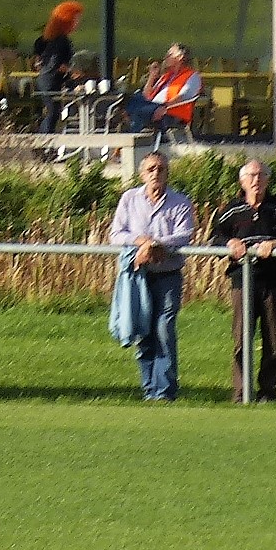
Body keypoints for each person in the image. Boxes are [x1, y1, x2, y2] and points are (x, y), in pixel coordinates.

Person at [108, 150, 196, 402]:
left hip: (168, 276)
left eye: (161, 169)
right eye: (151, 169)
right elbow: (116, 234)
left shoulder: (180, 202)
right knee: (144, 331)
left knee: (164, 328)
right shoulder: (129, 199)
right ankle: (149, 388)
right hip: (138, 277)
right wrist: (142, 242)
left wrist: (156, 245)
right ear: (142, 174)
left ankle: (164, 391)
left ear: (168, 173)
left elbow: (184, 234)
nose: (156, 173)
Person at [209, 158, 276, 403]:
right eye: (251, 175)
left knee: (273, 340)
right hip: (242, 281)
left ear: (268, 180)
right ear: (242, 181)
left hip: (273, 280)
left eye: (261, 175)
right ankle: (241, 392)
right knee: (241, 338)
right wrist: (230, 243)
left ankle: (268, 391)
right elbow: (215, 238)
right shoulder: (232, 209)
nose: (256, 180)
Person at [123, 43, 201, 135]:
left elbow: (184, 96)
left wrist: (164, 107)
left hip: (171, 111)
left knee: (136, 110)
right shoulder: (166, 76)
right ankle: (131, 127)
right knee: (130, 99)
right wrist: (152, 76)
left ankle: (132, 131)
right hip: (153, 106)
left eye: (169, 55)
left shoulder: (192, 76)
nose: (165, 57)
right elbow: (146, 95)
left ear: (180, 57)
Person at [33, 0, 81, 133]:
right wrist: (73, 71)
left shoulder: (52, 38)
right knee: (53, 112)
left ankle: (45, 138)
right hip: (50, 81)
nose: (78, 22)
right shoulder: (62, 41)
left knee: (52, 111)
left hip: (45, 79)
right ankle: (45, 139)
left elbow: (44, 61)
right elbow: (58, 64)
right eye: (76, 19)